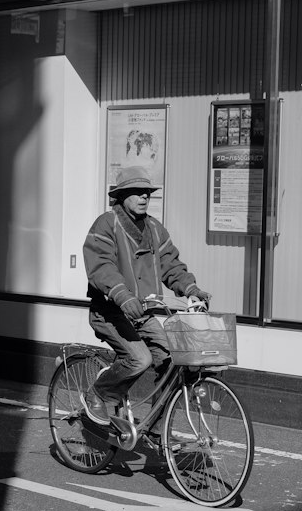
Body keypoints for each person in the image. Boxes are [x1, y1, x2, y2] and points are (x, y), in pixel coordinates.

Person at [82, 164, 210, 440]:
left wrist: (191, 289)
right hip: (109, 311)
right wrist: (123, 295)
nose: (144, 197)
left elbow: (171, 265)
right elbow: (101, 266)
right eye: (137, 192)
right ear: (122, 196)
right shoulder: (106, 224)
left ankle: (155, 428)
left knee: (171, 362)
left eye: (147, 193)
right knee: (140, 358)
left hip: (144, 314)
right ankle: (98, 392)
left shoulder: (154, 228)